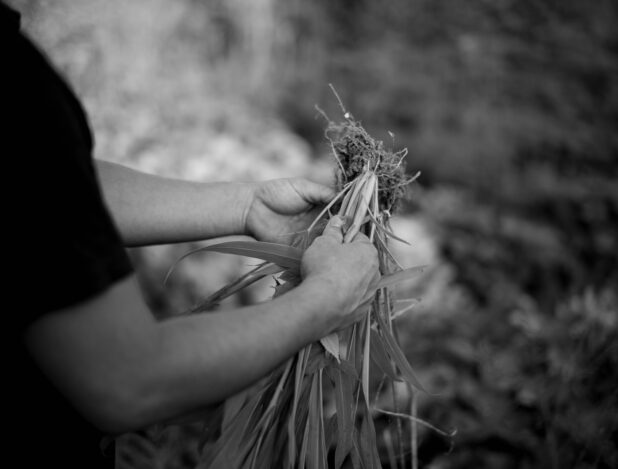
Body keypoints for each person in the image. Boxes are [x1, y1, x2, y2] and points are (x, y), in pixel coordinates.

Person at [3, 2, 379, 468]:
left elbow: (49, 187)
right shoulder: (8, 86)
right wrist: (326, 301)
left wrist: (246, 204)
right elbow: (128, 379)